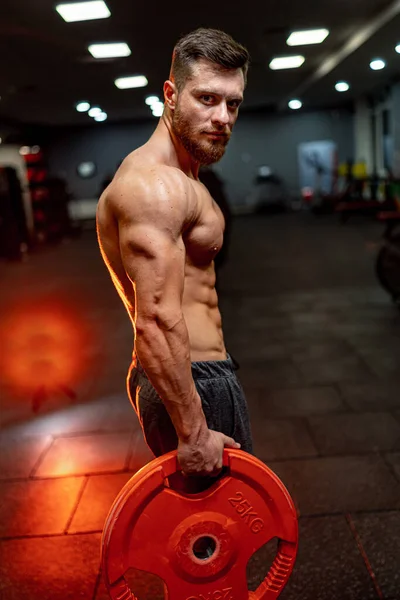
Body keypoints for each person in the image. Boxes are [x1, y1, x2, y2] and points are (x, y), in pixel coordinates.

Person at [96, 28, 253, 489]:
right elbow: (157, 320)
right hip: (192, 383)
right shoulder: (155, 186)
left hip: (197, 377)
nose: (222, 116)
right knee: (218, 539)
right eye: (207, 98)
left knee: (224, 536)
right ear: (170, 93)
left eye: (233, 103)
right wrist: (194, 431)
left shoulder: (183, 178)